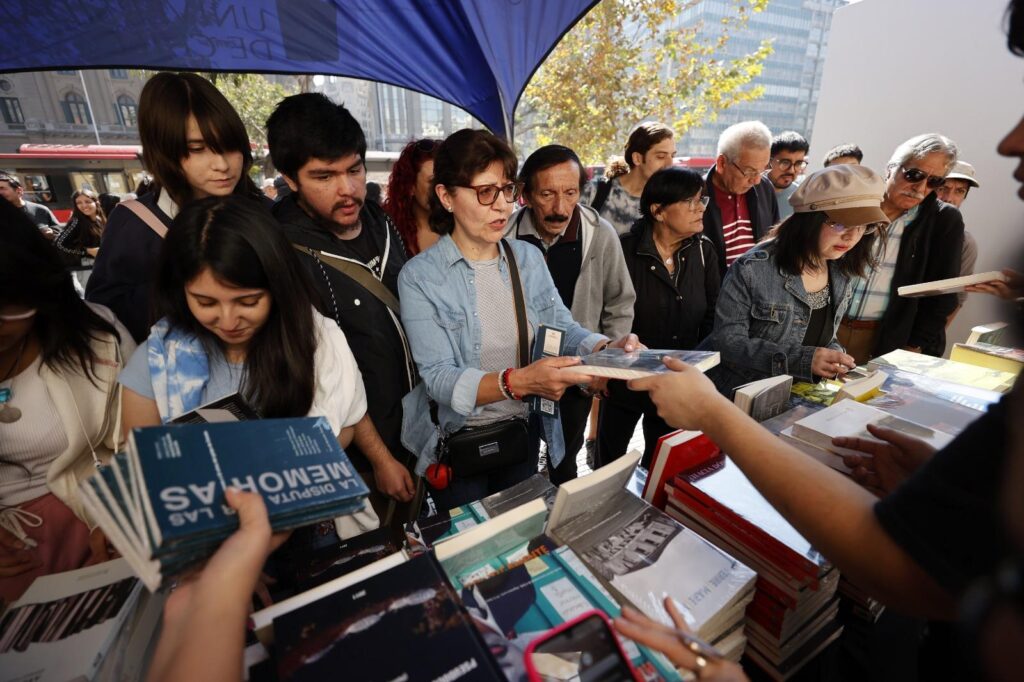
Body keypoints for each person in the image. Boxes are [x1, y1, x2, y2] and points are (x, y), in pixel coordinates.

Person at [399, 129, 638, 509]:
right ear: (446, 196)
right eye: (485, 192)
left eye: (507, 190)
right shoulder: (420, 277)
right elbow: (440, 378)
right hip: (461, 442)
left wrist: (606, 347)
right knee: (472, 542)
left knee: (522, 531)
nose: (501, 206)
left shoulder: (525, 258)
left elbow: (560, 325)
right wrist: (520, 382)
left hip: (520, 434)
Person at [268, 93, 417, 521]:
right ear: (290, 179)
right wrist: (379, 458)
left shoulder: (380, 220)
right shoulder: (283, 252)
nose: (347, 189)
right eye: (324, 176)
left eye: (354, 169)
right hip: (357, 455)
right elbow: (323, 376)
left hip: (416, 432)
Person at [119, 196, 366, 452]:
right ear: (180, 291)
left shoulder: (319, 341)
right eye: (206, 303)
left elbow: (346, 426)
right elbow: (145, 458)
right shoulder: (157, 361)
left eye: (248, 302)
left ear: (278, 287)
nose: (229, 321)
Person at [0, 201, 135, 604]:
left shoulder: (97, 337)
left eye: (7, 305)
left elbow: (141, 439)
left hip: (107, 520)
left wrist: (124, 508)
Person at [86, 72, 262, 343]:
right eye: (198, 149)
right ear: (163, 150)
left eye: (230, 146)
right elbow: (107, 313)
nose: (222, 165)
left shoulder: (265, 213)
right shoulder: (133, 224)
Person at [507, 144, 636, 482]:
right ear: (526, 195)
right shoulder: (505, 236)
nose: (560, 208)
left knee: (565, 460)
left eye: (570, 193)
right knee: (517, 460)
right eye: (547, 194)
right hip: (520, 373)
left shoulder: (600, 235)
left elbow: (620, 302)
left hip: (577, 370)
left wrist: (605, 364)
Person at [701, 164, 886, 395]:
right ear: (809, 219)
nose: (851, 237)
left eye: (862, 227)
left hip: (794, 394)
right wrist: (803, 360)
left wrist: (834, 356)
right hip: (737, 394)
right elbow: (728, 343)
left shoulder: (841, 268)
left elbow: (821, 334)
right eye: (840, 224)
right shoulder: (753, 268)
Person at [597, 167, 718, 468]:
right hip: (624, 380)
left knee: (661, 463)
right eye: (690, 201)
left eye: (702, 200)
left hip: (675, 380)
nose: (700, 208)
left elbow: (712, 316)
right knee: (610, 462)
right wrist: (602, 366)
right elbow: (603, 313)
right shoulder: (623, 250)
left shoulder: (704, 251)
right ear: (658, 211)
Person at [840, 134, 964, 363]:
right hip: (827, 331)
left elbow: (942, 295)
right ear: (891, 168)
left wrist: (913, 346)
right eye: (914, 175)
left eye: (934, 182)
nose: (920, 187)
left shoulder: (943, 220)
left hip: (886, 340)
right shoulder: (857, 201)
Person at [702, 121, 779, 273]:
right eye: (749, 172)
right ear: (722, 163)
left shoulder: (764, 188)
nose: (756, 181)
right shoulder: (696, 196)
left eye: (762, 170)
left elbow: (773, 242)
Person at [580, 122, 676, 235]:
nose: (670, 164)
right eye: (661, 156)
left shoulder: (668, 202)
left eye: (673, 156)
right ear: (637, 158)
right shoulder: (593, 192)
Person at [936, 161, 981, 316]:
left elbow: (958, 297)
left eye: (959, 191)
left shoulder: (966, 243)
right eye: (942, 188)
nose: (949, 198)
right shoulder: (903, 227)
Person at [382, 138, 440, 257]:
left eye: (445, 179)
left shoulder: (459, 224)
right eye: (432, 181)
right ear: (410, 186)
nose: (441, 188)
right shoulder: (387, 230)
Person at [0, 174, 60, 240]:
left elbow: (58, 230)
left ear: (19, 190)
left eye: (2, 188)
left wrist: (51, 233)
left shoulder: (40, 210)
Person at [766, 131, 809, 221]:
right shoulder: (749, 189)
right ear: (768, 161)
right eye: (785, 163)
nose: (791, 170)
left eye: (798, 163)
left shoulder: (802, 199)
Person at [54, 189, 106, 262]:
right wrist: (87, 251)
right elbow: (59, 244)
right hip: (89, 264)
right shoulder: (76, 222)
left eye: (88, 201)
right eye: (79, 203)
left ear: (96, 202)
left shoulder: (101, 219)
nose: (84, 205)